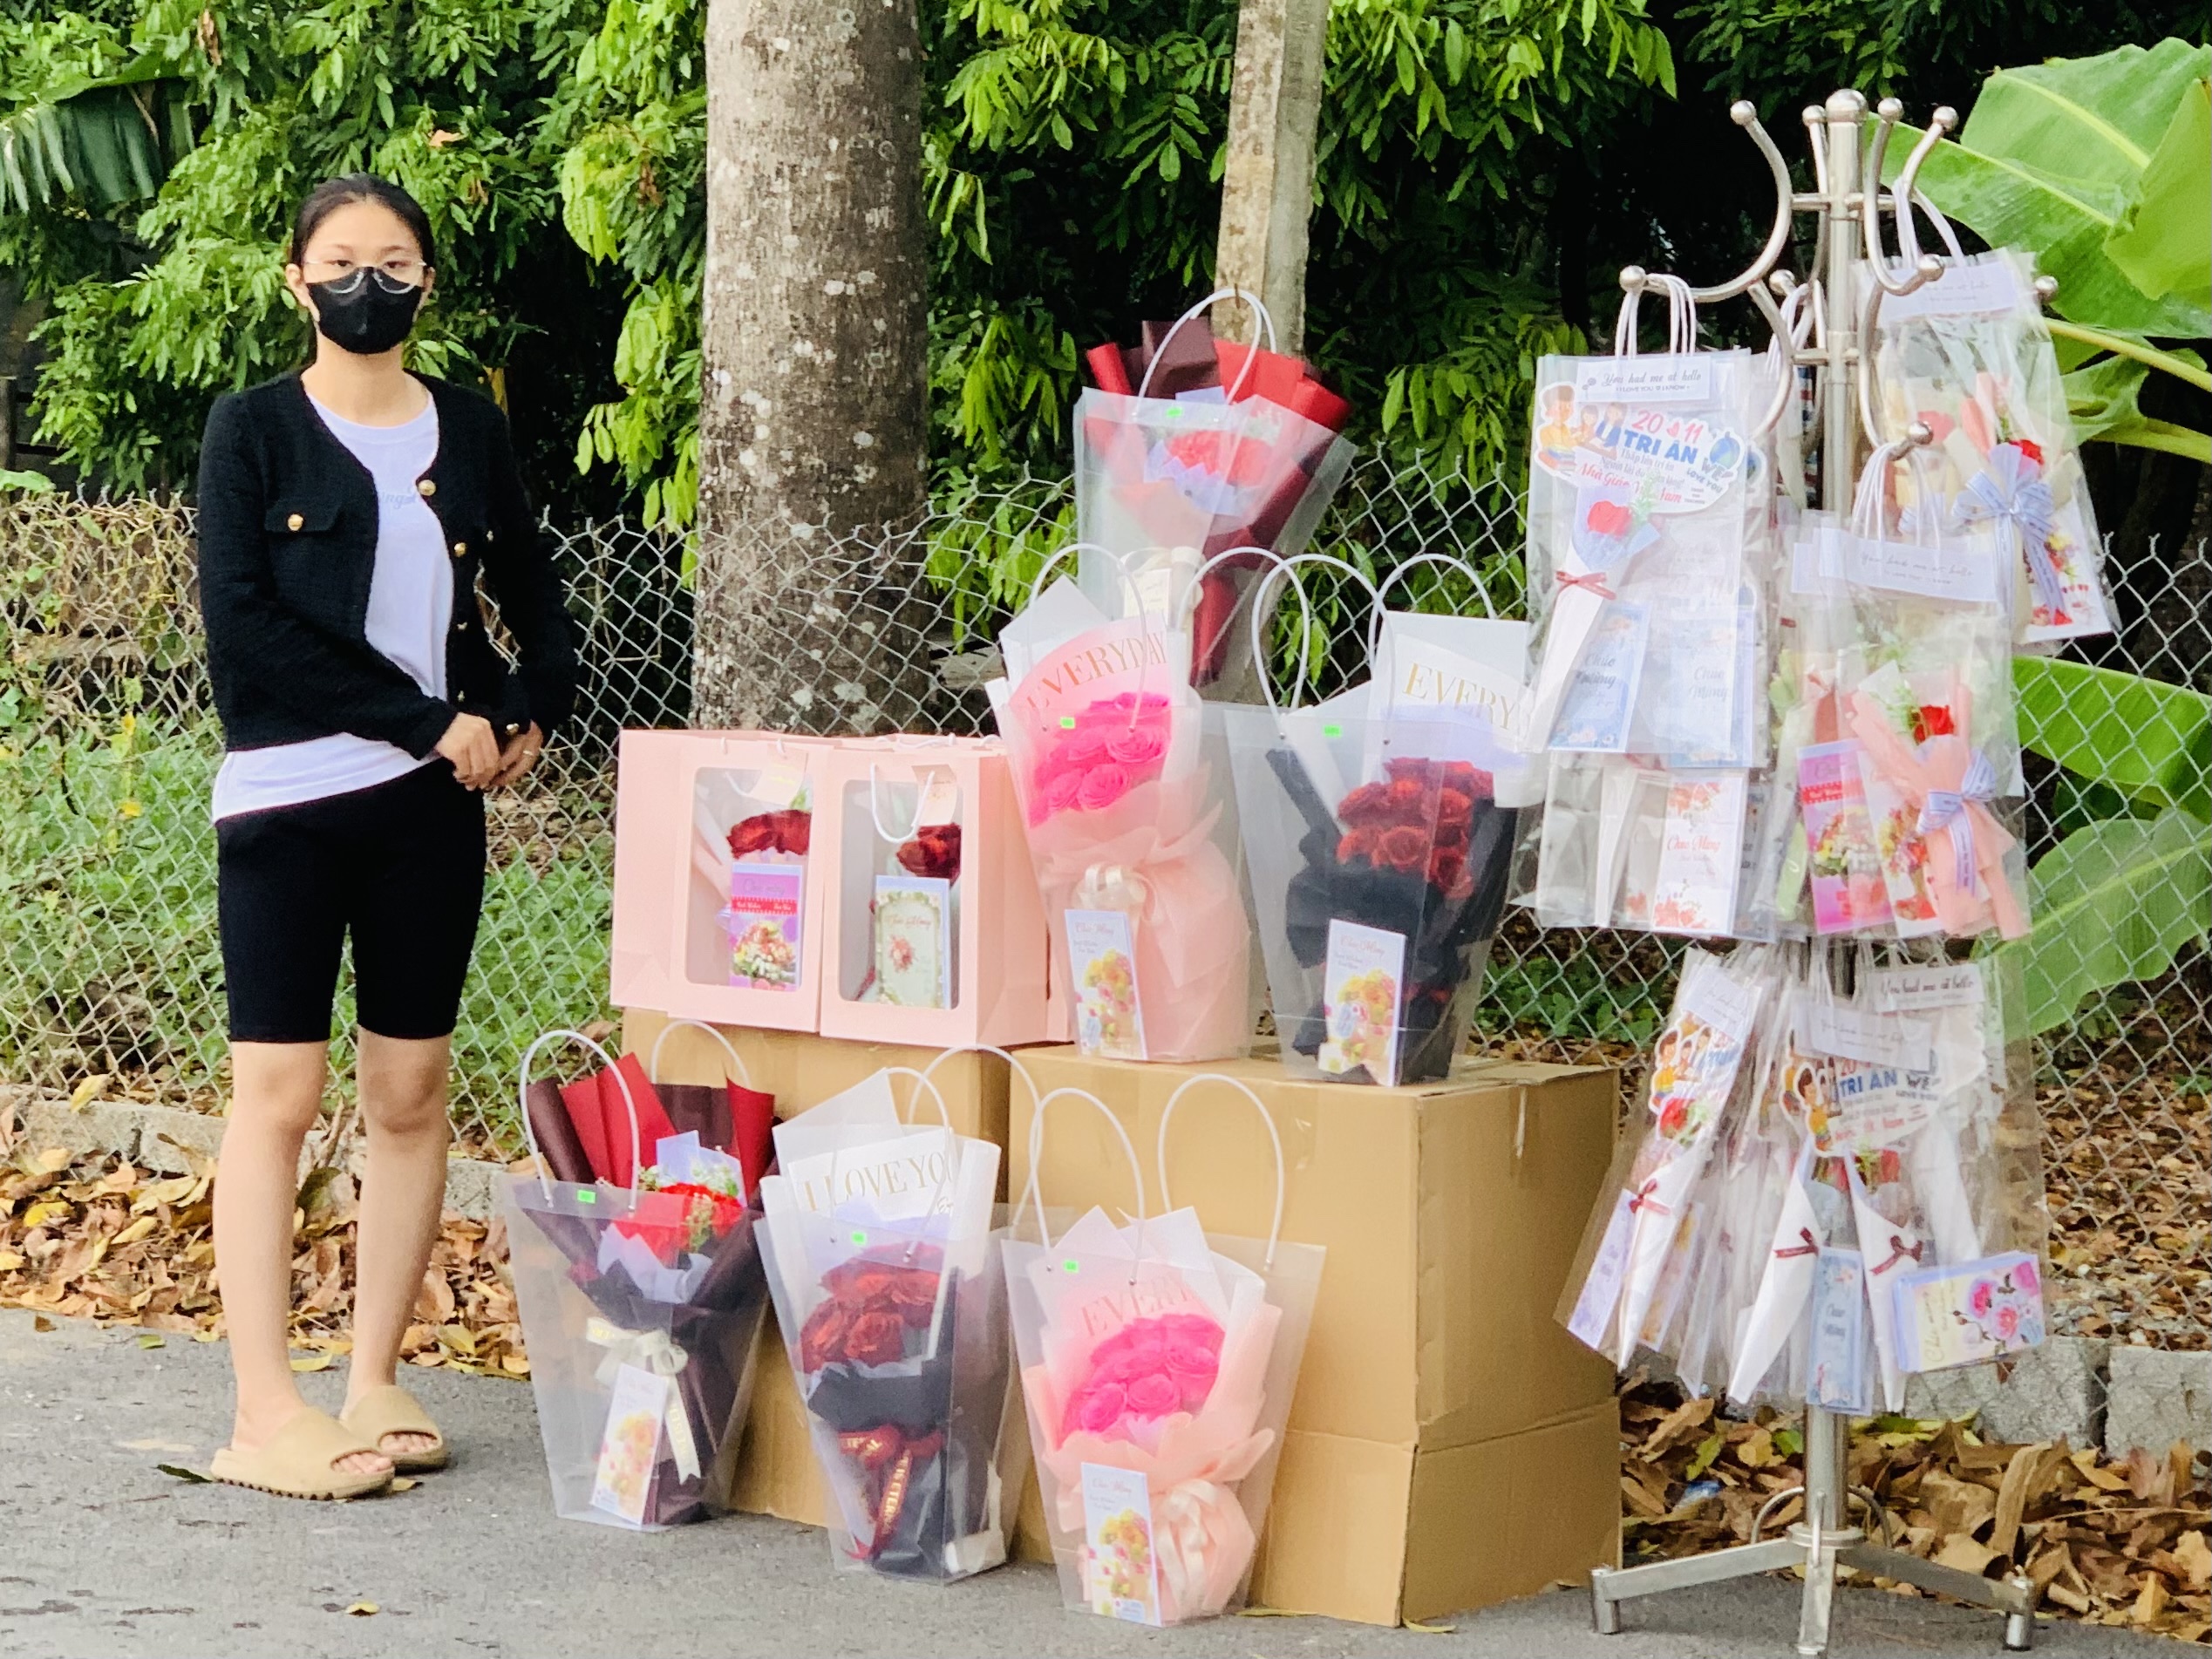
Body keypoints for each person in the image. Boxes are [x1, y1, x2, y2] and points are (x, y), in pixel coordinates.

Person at [195, 174, 575, 1499]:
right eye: (344, 261)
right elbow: (246, 626)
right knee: (278, 1097)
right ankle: (262, 1410)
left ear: (426, 281)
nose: (371, 283)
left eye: (396, 261)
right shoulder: (250, 429)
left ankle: (374, 1378)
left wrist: (528, 706)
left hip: (430, 812)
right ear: (297, 283)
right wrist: (427, 722)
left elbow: (530, 583)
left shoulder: (465, 427)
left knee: (410, 1094)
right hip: (289, 802)